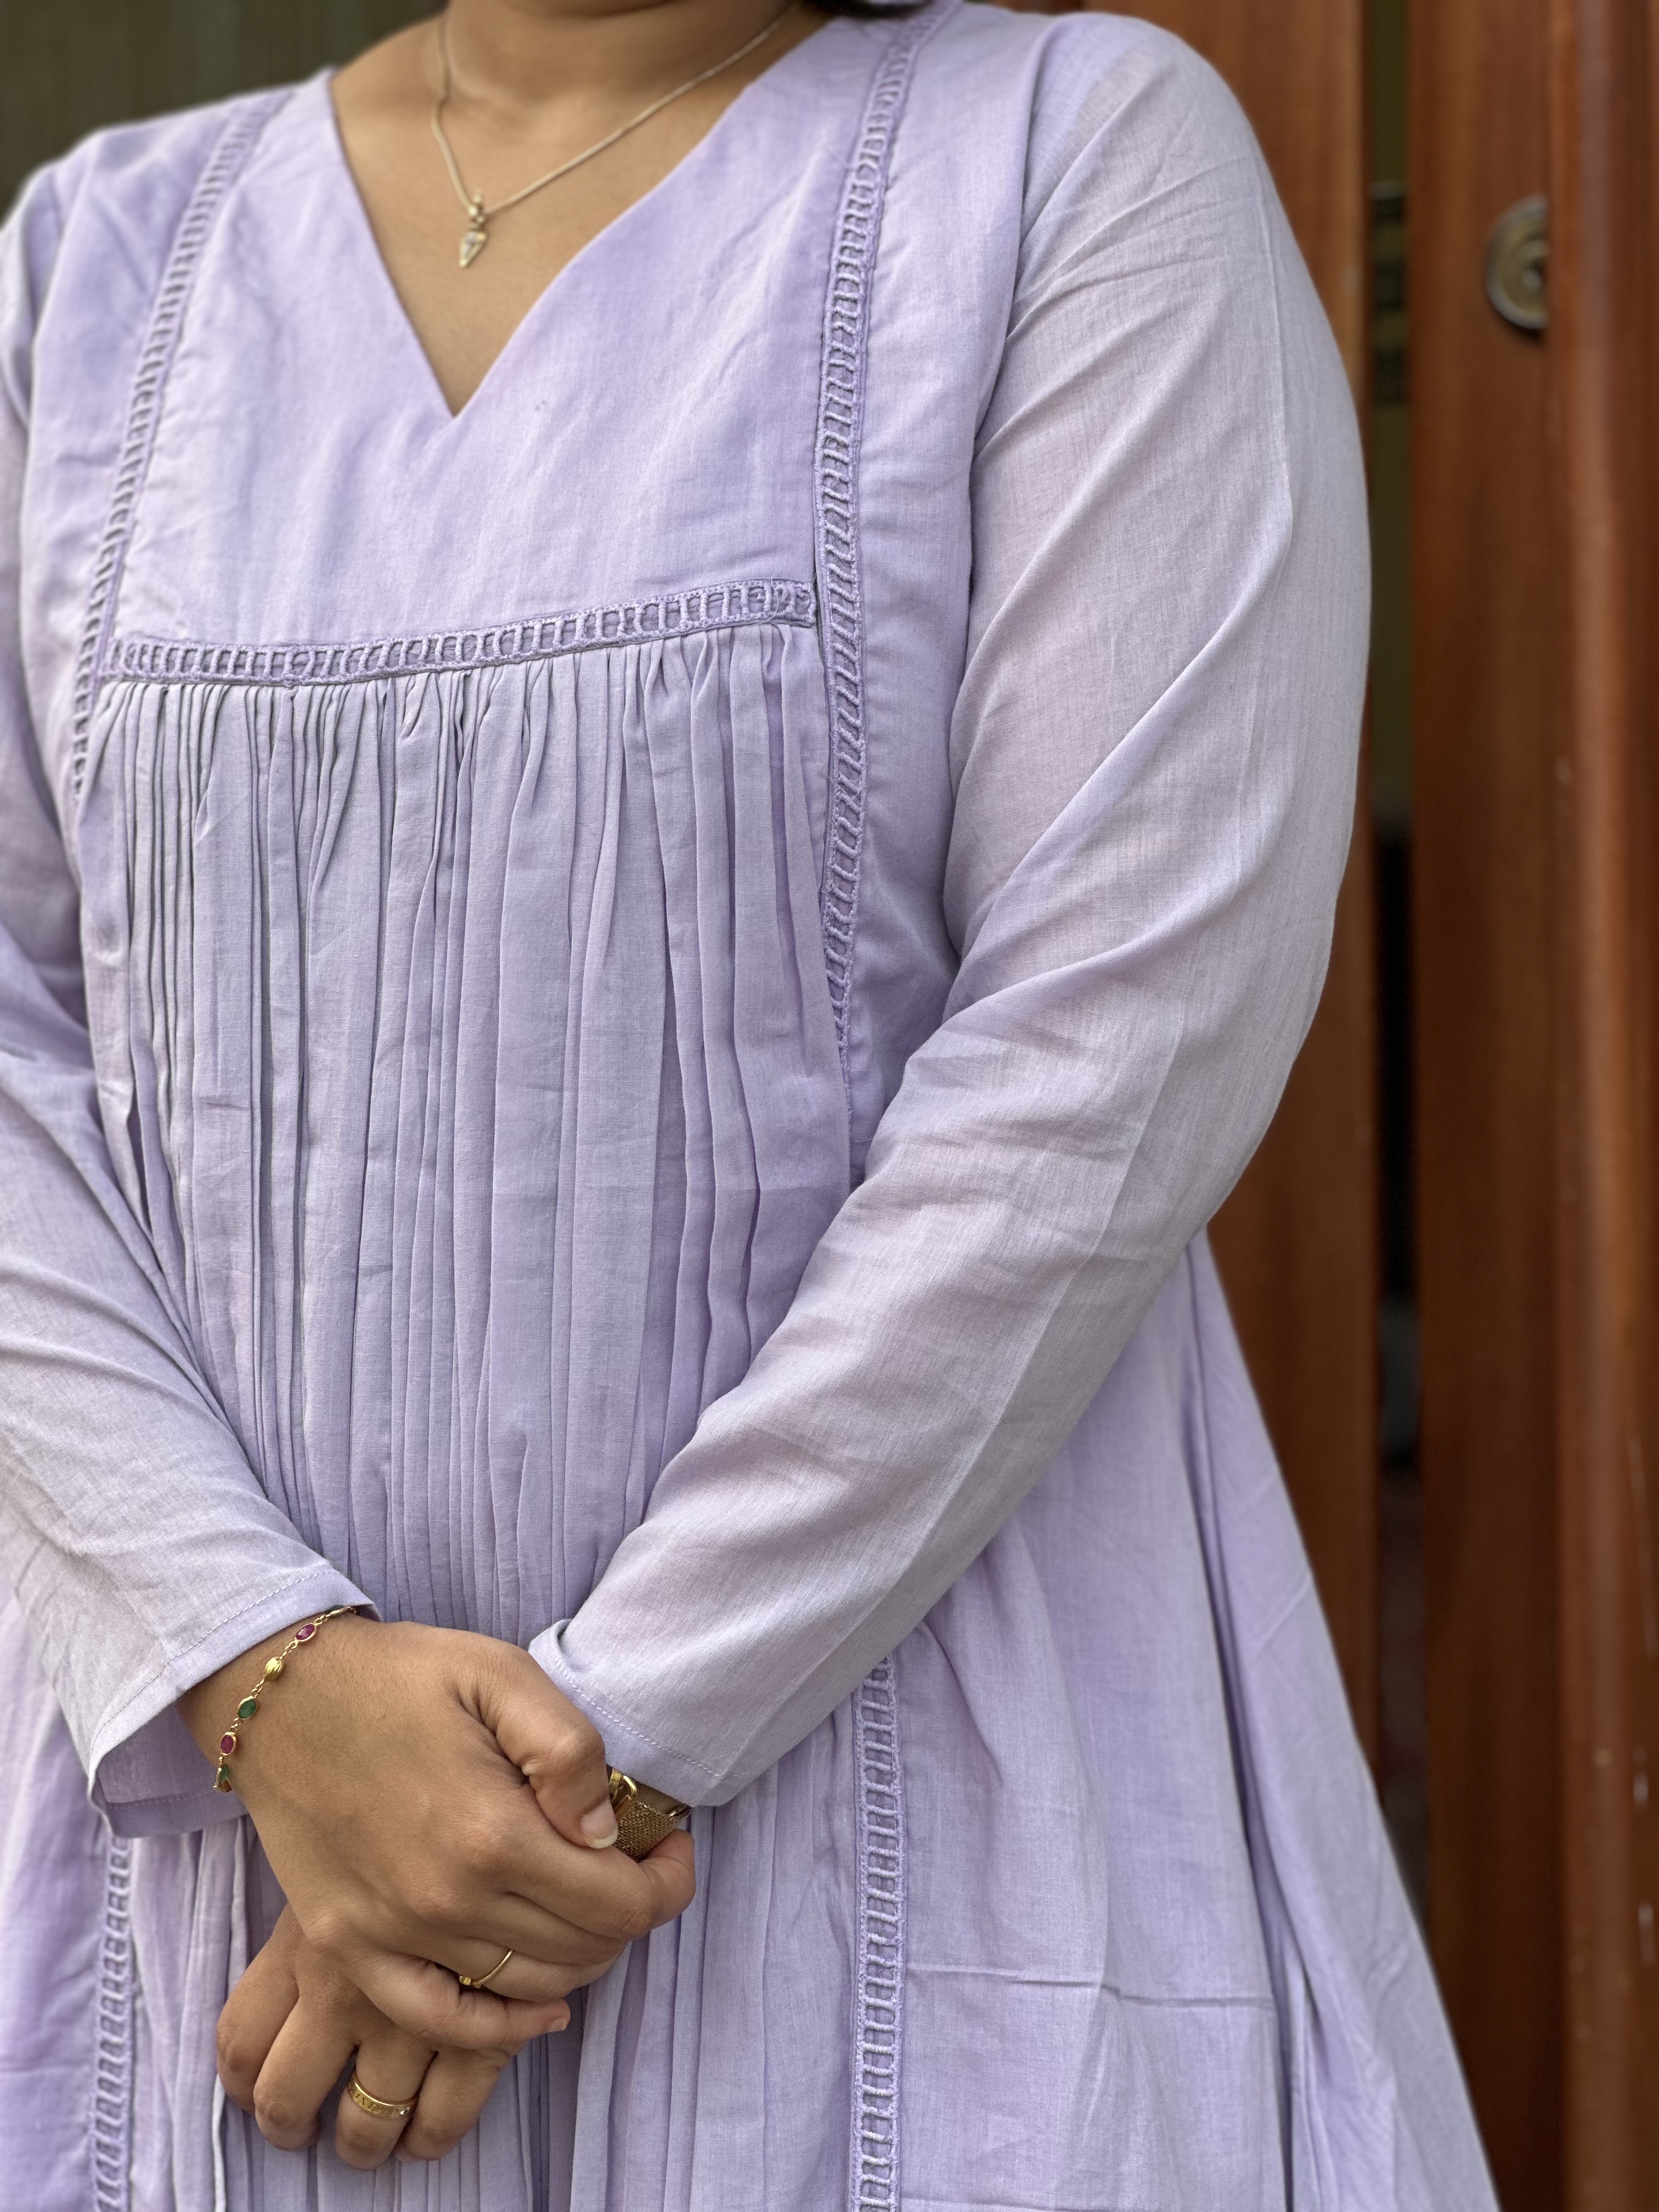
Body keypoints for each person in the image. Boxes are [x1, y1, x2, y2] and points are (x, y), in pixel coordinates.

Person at [0, 1, 1496, 2205]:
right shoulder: (99, 255)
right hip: (207, 1862)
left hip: (911, 1829)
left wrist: (578, 1773)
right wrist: (259, 1676)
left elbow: (1115, 1040)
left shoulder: (1074, 163)